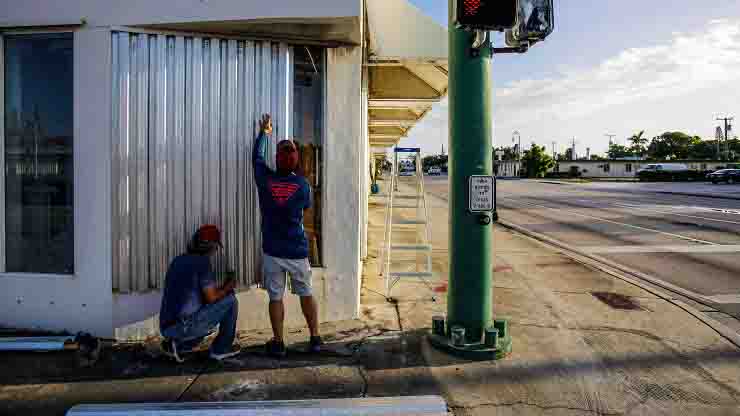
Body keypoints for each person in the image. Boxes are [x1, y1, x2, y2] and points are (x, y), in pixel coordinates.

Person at [253, 114, 321, 358]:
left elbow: (256, 158)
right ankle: (315, 338)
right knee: (306, 293)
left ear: (277, 158)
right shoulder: (303, 186)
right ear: (295, 161)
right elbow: (305, 209)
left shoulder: (265, 180)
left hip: (273, 251)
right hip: (297, 251)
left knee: (275, 297)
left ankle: (279, 343)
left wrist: (264, 133)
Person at [159, 224, 241, 363]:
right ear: (212, 246)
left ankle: (177, 346)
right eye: (216, 247)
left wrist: (222, 289)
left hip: (167, 328)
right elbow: (212, 298)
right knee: (231, 300)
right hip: (184, 326)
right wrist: (229, 285)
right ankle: (221, 350)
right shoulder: (202, 262)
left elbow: (200, 296)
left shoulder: (177, 260)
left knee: (205, 320)